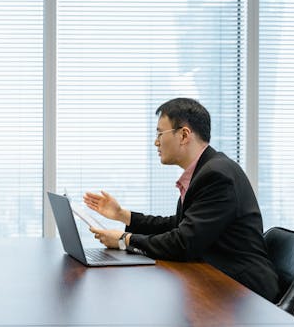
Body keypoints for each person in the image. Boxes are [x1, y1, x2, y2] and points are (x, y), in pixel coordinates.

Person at [83, 97, 279, 302]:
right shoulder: (205, 171)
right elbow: (178, 225)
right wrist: (123, 215)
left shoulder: (217, 175)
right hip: (220, 280)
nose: (156, 142)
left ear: (184, 135)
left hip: (245, 293)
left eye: (160, 133)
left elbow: (184, 242)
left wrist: (124, 240)